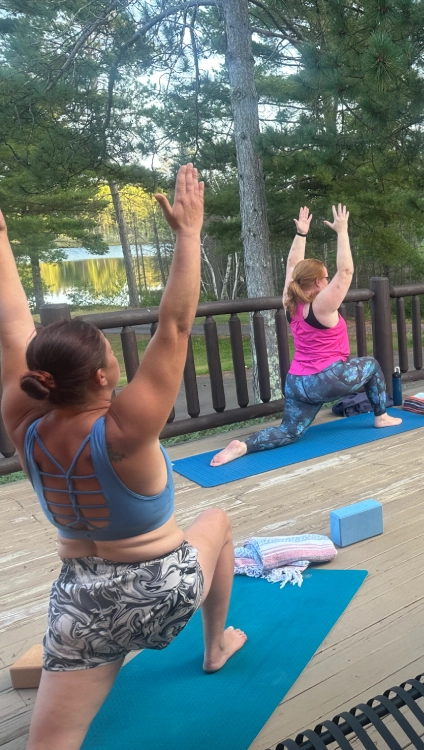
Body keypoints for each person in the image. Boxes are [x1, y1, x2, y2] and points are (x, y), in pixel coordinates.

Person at [0, 165, 246, 750]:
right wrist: (188, 234)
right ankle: (214, 647)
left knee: (49, 742)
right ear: (104, 375)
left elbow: (12, 328)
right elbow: (176, 323)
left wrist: (2, 239)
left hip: (80, 600)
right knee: (217, 523)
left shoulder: (22, 423)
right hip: (160, 589)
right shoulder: (126, 431)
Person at [211, 205, 401, 467]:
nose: (327, 280)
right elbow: (345, 272)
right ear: (318, 282)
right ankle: (381, 417)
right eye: (324, 277)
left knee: (290, 431)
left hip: (298, 382)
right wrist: (342, 232)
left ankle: (243, 446)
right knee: (371, 365)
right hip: (326, 379)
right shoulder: (321, 306)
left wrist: (301, 235)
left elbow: (292, 266)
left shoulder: (289, 301)